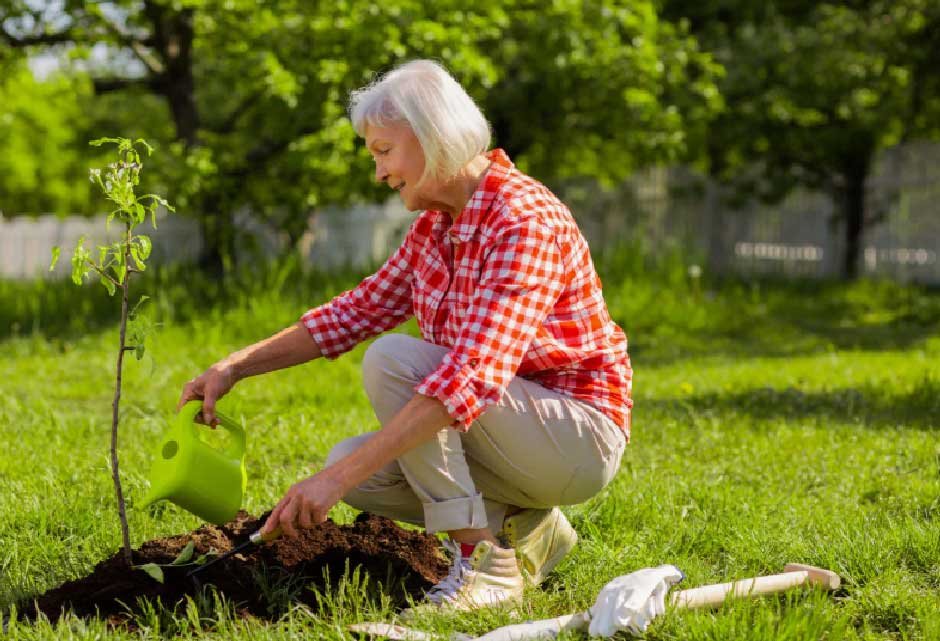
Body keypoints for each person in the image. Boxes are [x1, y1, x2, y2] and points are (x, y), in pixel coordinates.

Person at [177, 59, 632, 612]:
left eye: (383, 151)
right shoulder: (434, 229)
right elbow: (352, 313)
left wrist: (334, 483)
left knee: (392, 363)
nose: (379, 172)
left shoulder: (522, 220)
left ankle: (480, 561)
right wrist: (234, 367)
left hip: (577, 436)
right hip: (516, 433)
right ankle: (528, 526)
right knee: (357, 464)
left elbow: (471, 377)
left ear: (431, 135)